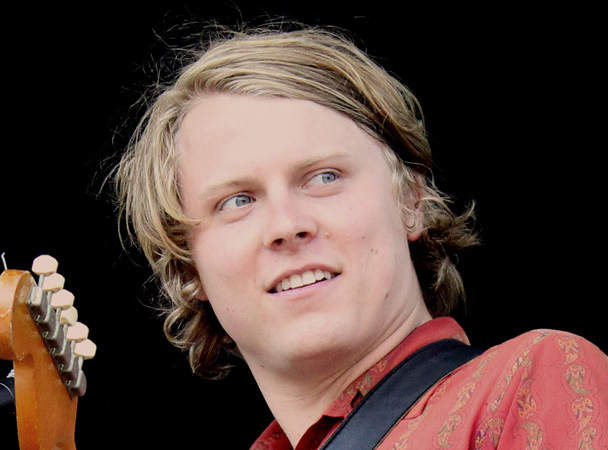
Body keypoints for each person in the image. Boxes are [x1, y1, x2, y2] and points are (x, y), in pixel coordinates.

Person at [113, 24, 608, 449]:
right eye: (237, 201)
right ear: (188, 267)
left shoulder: (534, 379)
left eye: (324, 177)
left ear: (410, 200)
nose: (286, 225)